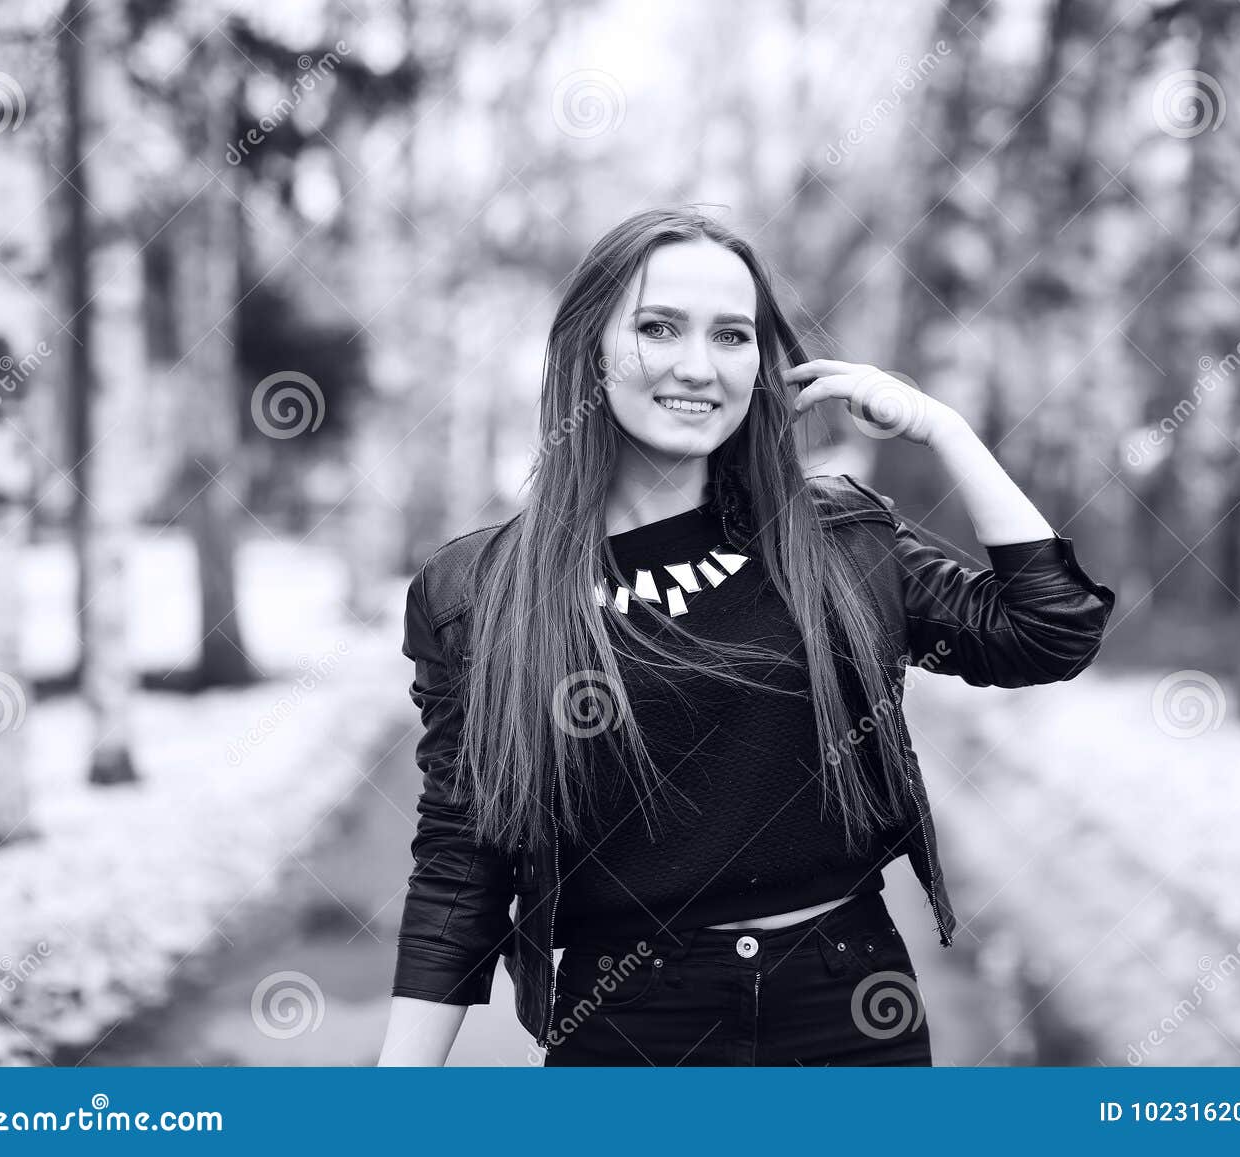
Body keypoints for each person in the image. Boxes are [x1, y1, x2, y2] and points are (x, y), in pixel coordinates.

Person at [376, 205, 1115, 1066]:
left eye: (732, 336)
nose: (699, 366)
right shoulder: (483, 590)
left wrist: (941, 428)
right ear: (591, 350)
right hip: (629, 1030)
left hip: (850, 1013)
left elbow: (1050, 630)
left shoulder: (835, 536)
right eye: (658, 327)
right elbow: (462, 867)